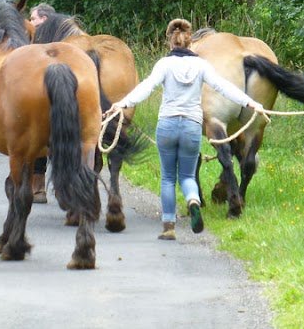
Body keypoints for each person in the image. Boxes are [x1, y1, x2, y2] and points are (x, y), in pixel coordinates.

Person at [105, 18, 265, 240]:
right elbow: (224, 87)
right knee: (188, 175)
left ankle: (168, 226)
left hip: (167, 126)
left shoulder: (163, 65)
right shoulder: (202, 65)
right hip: (191, 125)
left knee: (168, 178)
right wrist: (252, 103)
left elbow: (145, 88)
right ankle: (193, 200)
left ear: (170, 42)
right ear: (190, 42)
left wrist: (121, 104)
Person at [29, 2, 57, 203]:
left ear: (44, 20)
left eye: (33, 18)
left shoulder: (37, 49)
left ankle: (38, 186)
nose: (31, 22)